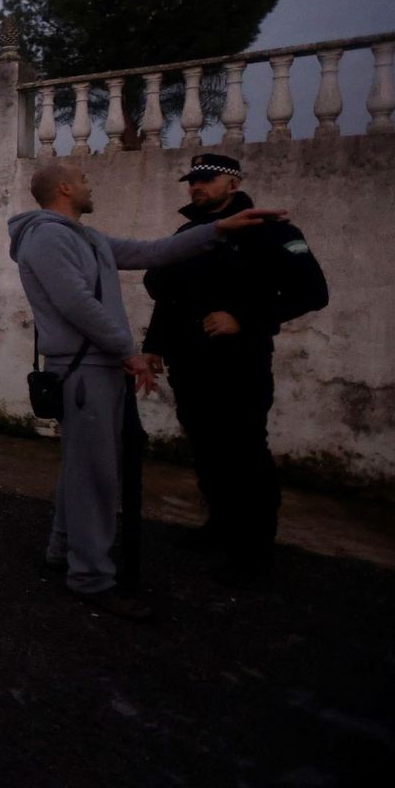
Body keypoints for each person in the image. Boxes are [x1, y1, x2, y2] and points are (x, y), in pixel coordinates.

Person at [7, 161, 283, 621]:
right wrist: (127, 351)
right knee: (96, 475)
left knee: (84, 466)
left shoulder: (85, 236)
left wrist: (218, 228)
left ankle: (63, 551)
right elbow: (77, 304)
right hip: (83, 370)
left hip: (98, 367)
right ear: (65, 188)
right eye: (87, 180)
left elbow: (153, 252)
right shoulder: (48, 237)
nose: (93, 186)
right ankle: (90, 577)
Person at [141, 154, 327, 583]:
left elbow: (313, 293)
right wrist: (154, 348)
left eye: (207, 179)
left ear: (234, 182)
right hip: (190, 364)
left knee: (245, 453)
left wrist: (245, 317)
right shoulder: (189, 234)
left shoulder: (273, 231)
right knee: (206, 450)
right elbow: (169, 297)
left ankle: (256, 551)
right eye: (192, 181)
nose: (196, 187)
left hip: (240, 363)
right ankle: (219, 529)